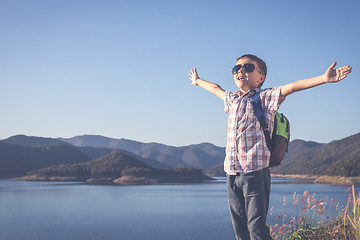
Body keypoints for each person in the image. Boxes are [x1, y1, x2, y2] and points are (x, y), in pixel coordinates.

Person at [188, 54, 352, 240]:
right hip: (232, 174)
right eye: (236, 69)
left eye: (248, 68)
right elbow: (215, 88)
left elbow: (291, 87)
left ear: (261, 78)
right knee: (240, 230)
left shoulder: (264, 98)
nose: (241, 71)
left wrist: (323, 78)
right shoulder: (231, 99)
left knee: (256, 229)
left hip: (256, 173)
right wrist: (198, 80)